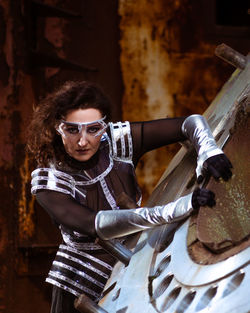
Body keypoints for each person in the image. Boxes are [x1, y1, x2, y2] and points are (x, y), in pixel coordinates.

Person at [27, 80, 232, 313]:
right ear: (57, 127)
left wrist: (208, 150)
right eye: (72, 129)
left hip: (140, 266)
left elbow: (190, 122)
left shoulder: (117, 141)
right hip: (80, 284)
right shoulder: (48, 180)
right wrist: (176, 208)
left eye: (93, 129)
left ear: (104, 125)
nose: (83, 141)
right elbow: (95, 224)